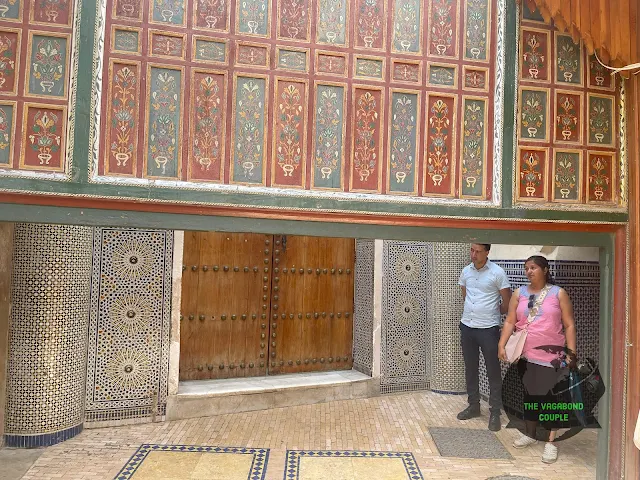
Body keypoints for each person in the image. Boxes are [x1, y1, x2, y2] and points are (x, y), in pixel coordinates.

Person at [498, 255, 577, 464]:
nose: (529, 271)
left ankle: (551, 443)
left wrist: (571, 352)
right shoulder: (519, 293)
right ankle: (530, 434)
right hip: (526, 355)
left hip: (552, 356)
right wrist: (501, 344)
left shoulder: (558, 294)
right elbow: (510, 321)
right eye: (526, 268)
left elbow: (569, 324)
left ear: (545, 270)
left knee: (551, 399)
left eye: (533, 267)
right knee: (530, 395)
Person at [457, 244, 512, 431]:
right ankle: (473, 406)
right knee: (470, 368)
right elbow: (465, 295)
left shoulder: (497, 273)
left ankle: (495, 412)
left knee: (492, 370)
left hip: (488, 329)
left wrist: (490, 313)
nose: (473, 254)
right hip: (467, 327)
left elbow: (507, 303)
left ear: (487, 252)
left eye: (478, 251)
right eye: (472, 250)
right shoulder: (466, 271)